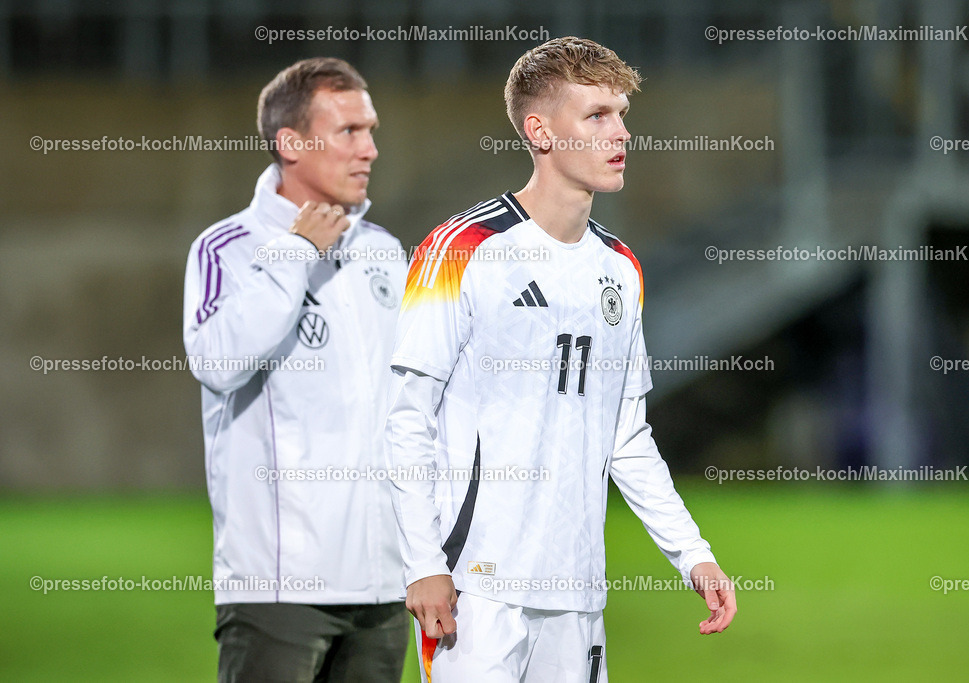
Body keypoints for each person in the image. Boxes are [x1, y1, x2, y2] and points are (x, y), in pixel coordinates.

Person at [384, 36, 736, 682]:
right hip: (477, 590)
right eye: (597, 115)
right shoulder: (461, 249)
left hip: (577, 592)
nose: (620, 132)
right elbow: (406, 417)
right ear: (540, 132)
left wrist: (693, 553)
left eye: (622, 114)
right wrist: (423, 563)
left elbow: (626, 435)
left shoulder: (620, 269)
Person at [183, 57, 408, 682]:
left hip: (386, 584)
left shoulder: (384, 252)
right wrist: (297, 252)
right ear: (291, 144)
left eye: (370, 131)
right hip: (281, 586)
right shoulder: (229, 248)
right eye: (349, 131)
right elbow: (217, 362)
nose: (369, 149)